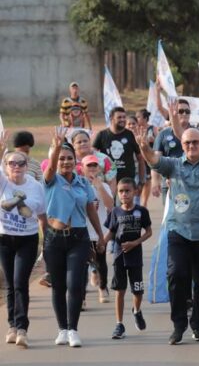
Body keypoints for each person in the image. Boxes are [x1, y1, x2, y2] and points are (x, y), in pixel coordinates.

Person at [136, 103, 199, 345]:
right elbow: (153, 161)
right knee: (177, 275)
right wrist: (145, 147)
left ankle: (198, 325)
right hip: (178, 231)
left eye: (195, 143)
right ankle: (178, 325)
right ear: (182, 145)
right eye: (187, 143)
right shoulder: (174, 164)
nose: (191, 146)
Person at [43, 128, 106, 348]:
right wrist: (57, 146)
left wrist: (100, 235)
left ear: (75, 161)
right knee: (59, 286)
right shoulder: (50, 180)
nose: (66, 162)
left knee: (75, 284)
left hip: (78, 238)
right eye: (62, 158)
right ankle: (62, 329)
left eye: (70, 158)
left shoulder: (82, 183)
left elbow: (91, 210)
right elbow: (51, 166)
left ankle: (73, 330)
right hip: (54, 238)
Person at [0, 141, 47, 349]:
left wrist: (46, 243)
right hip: (4, 239)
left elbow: (42, 216)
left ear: (27, 166)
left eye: (20, 163)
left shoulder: (35, 186)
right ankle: (11, 326)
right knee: (10, 284)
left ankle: (22, 329)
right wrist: (1, 150)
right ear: (6, 166)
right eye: (11, 163)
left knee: (20, 283)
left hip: (27, 240)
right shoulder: (3, 183)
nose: (16, 166)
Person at [104, 178, 152, 339]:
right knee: (120, 290)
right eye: (121, 191)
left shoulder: (141, 211)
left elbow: (149, 232)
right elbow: (111, 232)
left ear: (135, 192)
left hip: (135, 257)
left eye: (127, 191)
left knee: (137, 290)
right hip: (119, 257)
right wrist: (101, 243)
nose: (124, 194)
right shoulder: (115, 212)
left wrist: (135, 243)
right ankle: (119, 324)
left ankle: (137, 311)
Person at [80, 155, 114, 306]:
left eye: (95, 166)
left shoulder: (104, 186)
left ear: (99, 168)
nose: (92, 169)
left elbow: (110, 205)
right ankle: (82, 296)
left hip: (99, 231)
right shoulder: (78, 184)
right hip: (82, 231)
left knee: (100, 262)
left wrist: (99, 186)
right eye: (89, 166)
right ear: (82, 169)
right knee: (82, 265)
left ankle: (103, 287)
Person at [93, 107, 145, 188]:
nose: (123, 119)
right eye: (119, 117)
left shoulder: (130, 135)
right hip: (108, 181)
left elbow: (140, 158)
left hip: (127, 182)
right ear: (111, 118)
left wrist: (141, 182)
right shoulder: (102, 135)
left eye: (124, 117)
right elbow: (93, 157)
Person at [152, 99, 190, 202]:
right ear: (174, 113)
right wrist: (155, 181)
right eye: (181, 111)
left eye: (187, 111)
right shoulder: (163, 134)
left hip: (191, 182)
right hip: (169, 183)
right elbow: (156, 159)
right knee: (171, 216)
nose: (184, 114)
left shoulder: (196, 133)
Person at [135, 109, 157, 208]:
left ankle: (144, 203)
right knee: (138, 181)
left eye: (139, 117)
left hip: (148, 157)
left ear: (145, 118)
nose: (137, 119)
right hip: (138, 158)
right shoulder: (134, 128)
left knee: (147, 181)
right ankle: (136, 200)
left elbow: (159, 142)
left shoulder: (153, 128)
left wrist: (153, 140)